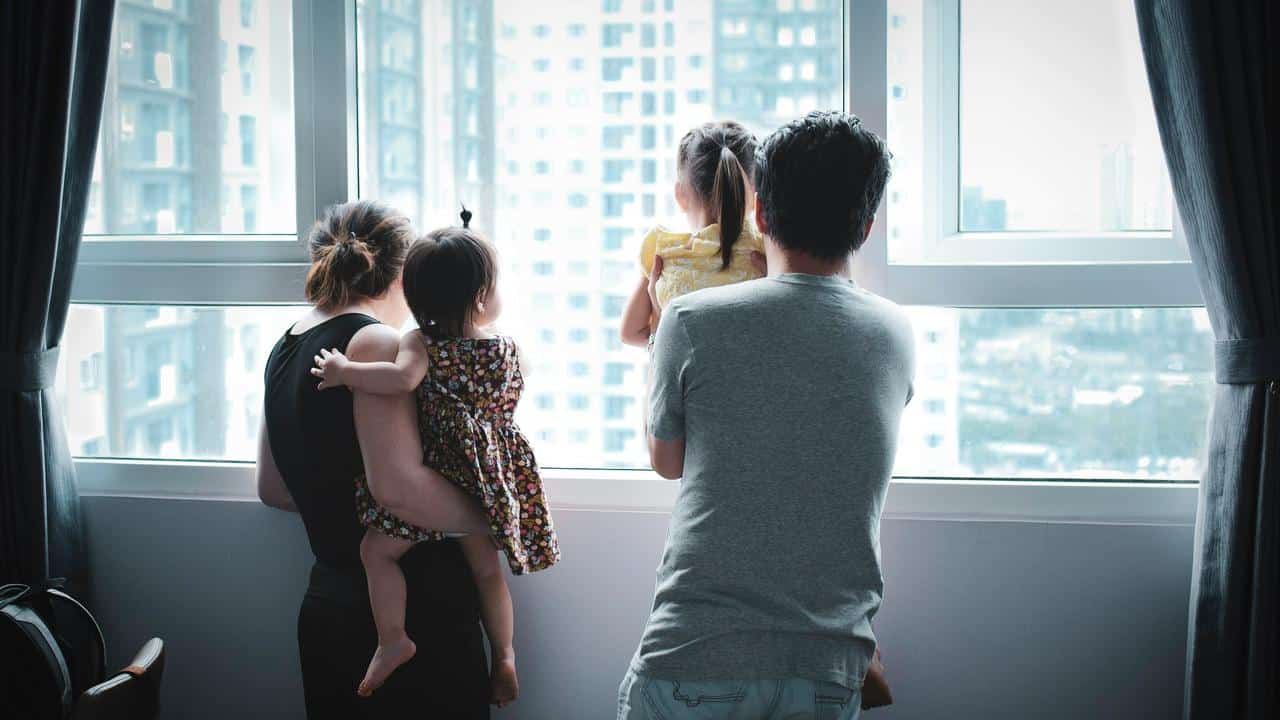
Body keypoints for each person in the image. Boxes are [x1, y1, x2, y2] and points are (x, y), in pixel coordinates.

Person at [618, 111, 915, 720]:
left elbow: (667, 463)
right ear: (867, 226)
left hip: (696, 653)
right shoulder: (895, 333)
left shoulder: (692, 320)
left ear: (759, 216)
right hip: (830, 671)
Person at [257, 200, 492, 719]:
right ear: (403, 273)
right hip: (411, 612)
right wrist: (496, 515)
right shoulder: (377, 344)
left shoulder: (286, 346)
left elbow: (273, 488)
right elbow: (398, 490)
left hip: (328, 605)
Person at [311, 220, 560, 703]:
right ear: (484, 295)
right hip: (487, 476)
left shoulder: (419, 343)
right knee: (487, 573)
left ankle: (392, 639)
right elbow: (516, 389)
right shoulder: (505, 346)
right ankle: (505, 654)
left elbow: (400, 382)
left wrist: (346, 371)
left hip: (440, 476)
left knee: (375, 553)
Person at [619, 120, 766, 348]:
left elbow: (631, 332)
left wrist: (663, 324)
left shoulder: (665, 252)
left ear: (680, 194)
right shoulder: (762, 249)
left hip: (683, 380)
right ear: (756, 195)